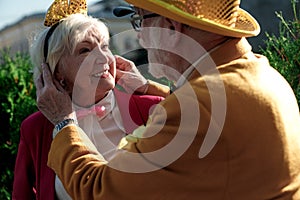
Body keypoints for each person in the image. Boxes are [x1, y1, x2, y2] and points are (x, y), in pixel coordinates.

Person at [36, 0, 300, 199]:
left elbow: (100, 190)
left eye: (141, 20)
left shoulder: (197, 106)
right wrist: (149, 87)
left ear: (171, 29)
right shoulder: (263, 72)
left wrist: (63, 122)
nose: (138, 35)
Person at [12, 1, 169, 199]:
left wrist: (146, 86)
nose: (104, 58)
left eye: (105, 46)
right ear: (56, 72)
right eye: (85, 50)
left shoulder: (151, 108)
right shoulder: (35, 128)